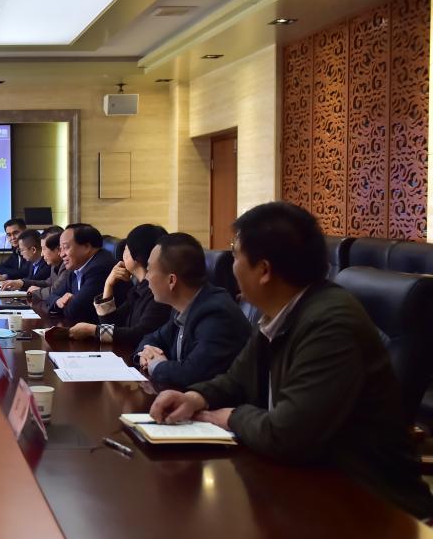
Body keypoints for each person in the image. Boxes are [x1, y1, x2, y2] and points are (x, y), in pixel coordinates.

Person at [150, 202, 433, 520]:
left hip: (374, 509)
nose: (231, 266)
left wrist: (229, 416)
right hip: (311, 490)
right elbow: (236, 378)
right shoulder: (280, 313)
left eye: (236, 255)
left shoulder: (330, 324)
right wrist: (195, 397)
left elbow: (286, 435)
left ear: (264, 270)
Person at [134, 232, 250, 389]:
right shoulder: (184, 306)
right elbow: (151, 338)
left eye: (149, 270)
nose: (146, 277)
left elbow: (192, 374)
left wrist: (156, 366)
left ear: (171, 280)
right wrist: (145, 355)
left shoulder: (216, 314)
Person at [70, 224, 173, 347]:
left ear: (136, 255)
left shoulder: (157, 292)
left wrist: (93, 331)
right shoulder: (138, 288)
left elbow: (140, 334)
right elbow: (111, 323)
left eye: (126, 248)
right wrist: (108, 285)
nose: (122, 253)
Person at [40, 223, 114, 323]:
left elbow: (74, 311)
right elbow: (52, 296)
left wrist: (65, 303)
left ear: (86, 246)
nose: (61, 254)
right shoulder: (76, 266)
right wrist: (58, 301)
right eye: (60, 248)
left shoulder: (100, 268)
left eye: (66, 247)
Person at [2, 231, 66, 297]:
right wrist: (22, 283)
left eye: (44, 249)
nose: (42, 254)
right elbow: (47, 283)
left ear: (58, 250)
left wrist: (37, 291)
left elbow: (57, 291)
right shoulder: (54, 265)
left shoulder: (63, 266)